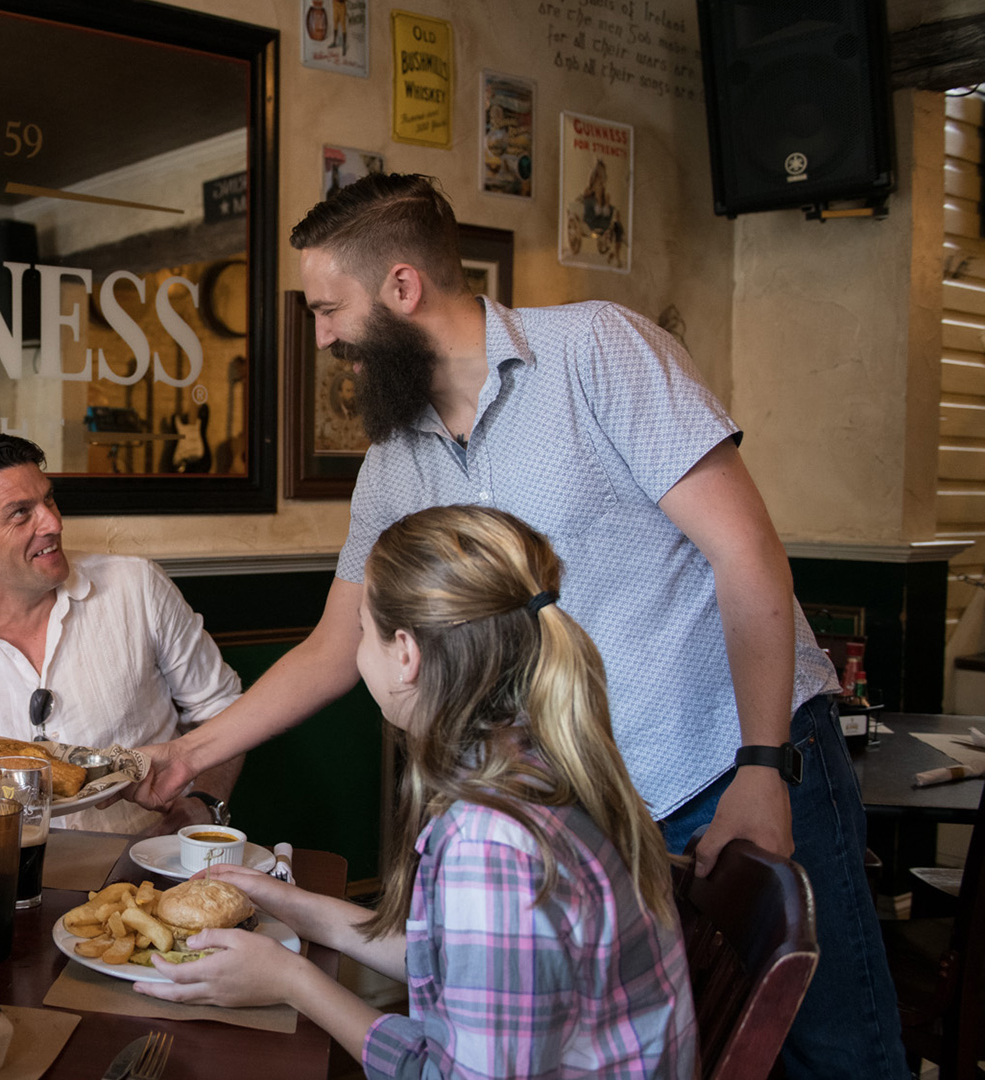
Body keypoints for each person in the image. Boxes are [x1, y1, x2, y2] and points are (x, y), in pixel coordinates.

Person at [133, 173, 902, 1079]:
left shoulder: (598, 350)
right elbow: (337, 643)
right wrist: (191, 753)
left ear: (403, 287)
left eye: (329, 308)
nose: (325, 335)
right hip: (588, 800)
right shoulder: (392, 460)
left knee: (837, 1053)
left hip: (724, 756)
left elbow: (749, 557)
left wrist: (763, 766)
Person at [140, 506, 694, 1078]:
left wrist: (292, 982)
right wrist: (298, 908)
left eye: (362, 627)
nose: (356, 648)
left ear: (405, 653)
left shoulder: (490, 839)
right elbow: (461, 965)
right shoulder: (541, 759)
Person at [0, 431, 242, 832]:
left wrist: (203, 803)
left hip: (150, 865)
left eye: (48, 499)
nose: (53, 522)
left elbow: (223, 711)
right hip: (2, 874)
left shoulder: (137, 586)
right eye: (20, 513)